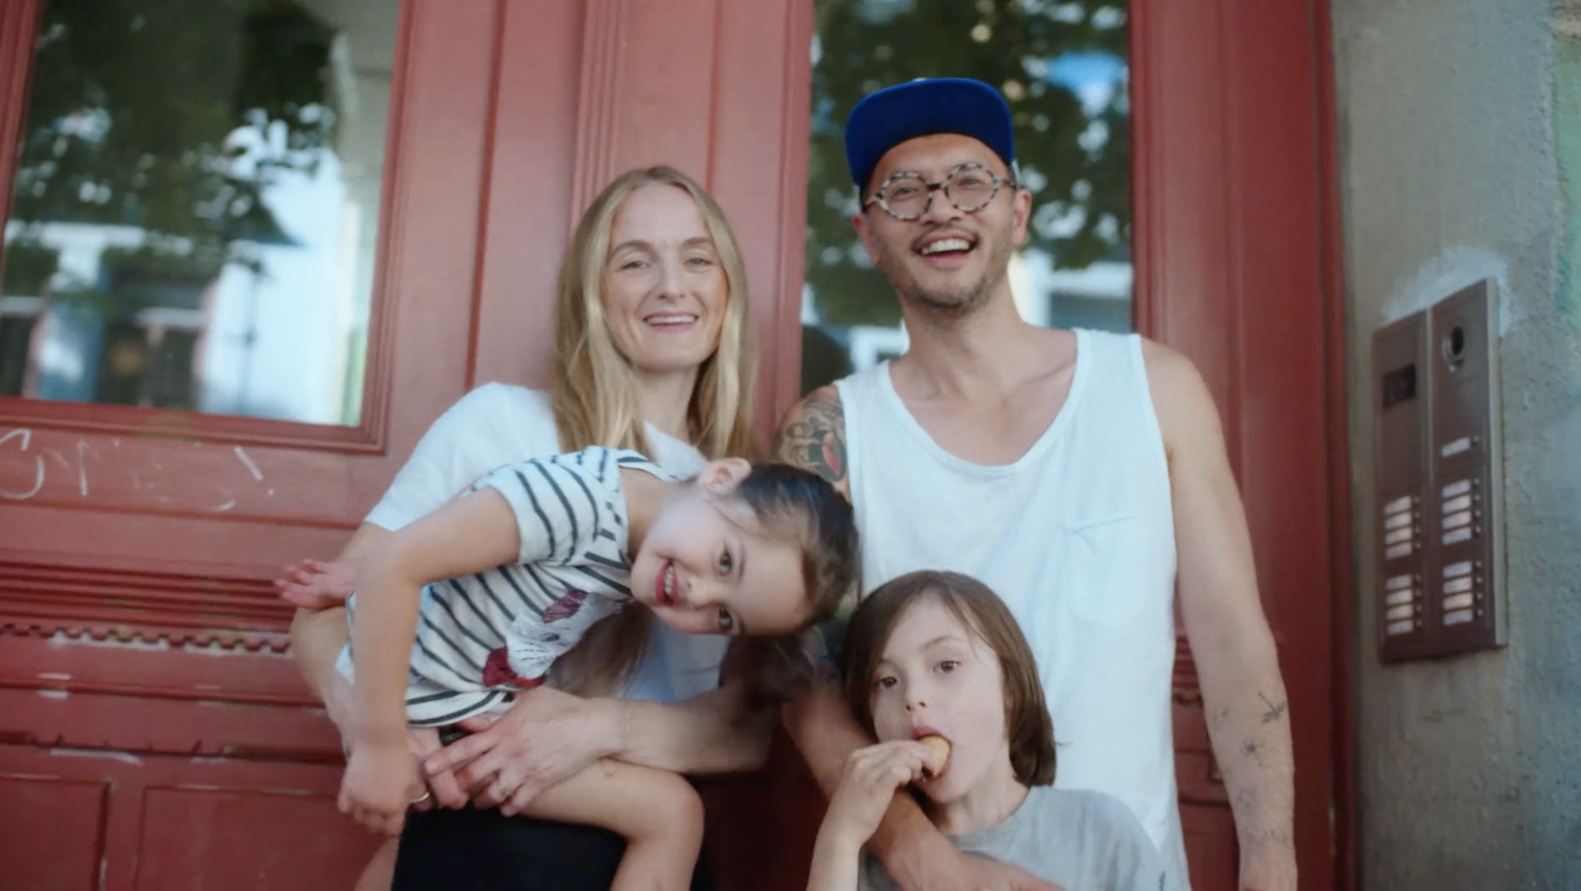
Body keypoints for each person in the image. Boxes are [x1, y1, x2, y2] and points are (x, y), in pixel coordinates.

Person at [775, 78, 1296, 891]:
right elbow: (806, 688)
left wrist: (1271, 863)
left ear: (1017, 212)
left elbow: (1233, 644)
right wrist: (934, 865)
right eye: (903, 191)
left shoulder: (1152, 389)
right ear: (867, 234)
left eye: (970, 181)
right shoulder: (833, 433)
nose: (941, 207)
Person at [282, 166, 775, 891]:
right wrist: (376, 730)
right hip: (478, 833)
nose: (673, 285)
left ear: (728, 286)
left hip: (630, 847)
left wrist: (591, 728)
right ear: (593, 292)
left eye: (698, 259)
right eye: (635, 261)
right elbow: (326, 612)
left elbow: (747, 729)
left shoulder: (743, 512)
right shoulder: (505, 424)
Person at [336, 445, 856, 891]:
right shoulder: (579, 504)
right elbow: (394, 563)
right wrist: (379, 744)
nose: (699, 595)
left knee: (425, 834)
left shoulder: (641, 519)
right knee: (671, 813)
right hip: (420, 697)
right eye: (726, 562)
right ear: (720, 477)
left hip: (459, 693)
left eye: (725, 617)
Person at [808, 570, 1167, 891]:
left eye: (946, 666)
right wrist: (840, 836)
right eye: (886, 681)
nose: (913, 697)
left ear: (1010, 688)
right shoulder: (863, 866)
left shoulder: (1100, 833)